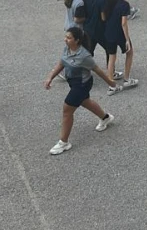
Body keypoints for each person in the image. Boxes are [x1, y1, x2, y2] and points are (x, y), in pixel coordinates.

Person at [44, 26, 116, 155]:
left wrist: (110, 82)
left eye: (69, 38)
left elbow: (97, 69)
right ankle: (105, 118)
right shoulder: (67, 48)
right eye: (66, 37)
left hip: (82, 84)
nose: (65, 39)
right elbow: (61, 63)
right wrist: (50, 77)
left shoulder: (84, 56)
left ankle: (64, 142)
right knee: (85, 101)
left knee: (67, 109)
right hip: (72, 81)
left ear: (77, 40)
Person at [105, 0, 138, 92]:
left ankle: (111, 84)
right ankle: (127, 78)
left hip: (108, 31)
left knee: (111, 56)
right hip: (119, 33)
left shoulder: (108, 1)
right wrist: (127, 39)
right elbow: (123, 23)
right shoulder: (124, 4)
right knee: (129, 52)